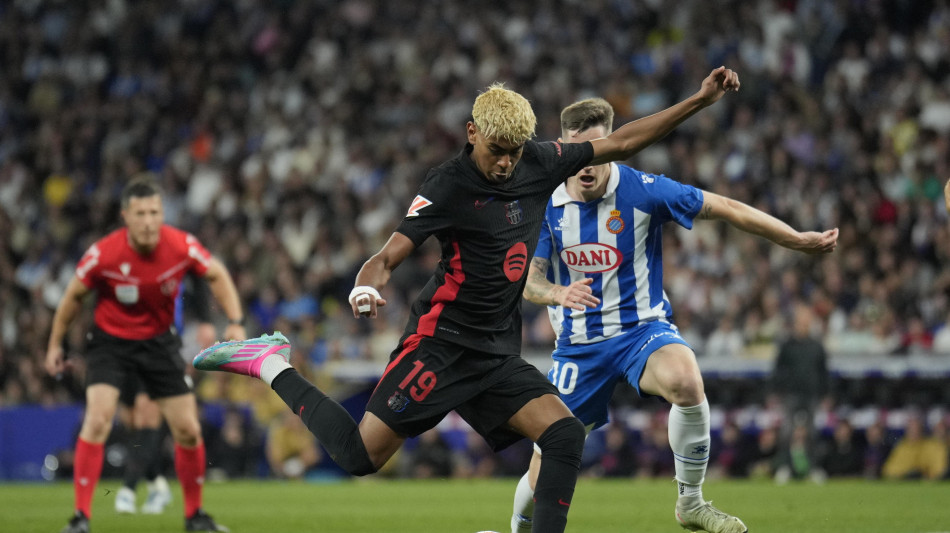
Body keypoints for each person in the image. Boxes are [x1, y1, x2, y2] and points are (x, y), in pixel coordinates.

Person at [194, 66, 740, 533]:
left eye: (515, 153)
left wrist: (699, 100)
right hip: (440, 344)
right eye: (498, 152)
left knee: (564, 434)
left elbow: (623, 142)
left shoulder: (538, 161)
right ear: (473, 132)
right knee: (361, 457)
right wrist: (366, 285)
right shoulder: (448, 184)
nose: (507, 164)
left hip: (496, 352)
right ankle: (270, 365)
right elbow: (387, 255)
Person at [507, 97, 838, 533]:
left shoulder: (643, 190)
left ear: (612, 145)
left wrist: (795, 239)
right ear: (563, 147)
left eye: (596, 151)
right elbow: (528, 280)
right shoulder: (545, 204)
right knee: (548, 455)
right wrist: (556, 292)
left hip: (641, 331)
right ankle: (517, 524)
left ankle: (692, 503)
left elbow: (726, 207)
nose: (586, 164)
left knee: (685, 379)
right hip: (578, 346)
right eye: (577, 152)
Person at [45, 175, 246, 533]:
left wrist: (234, 321)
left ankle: (195, 517)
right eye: (140, 213)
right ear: (125, 216)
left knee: (187, 429)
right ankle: (80, 519)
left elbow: (216, 274)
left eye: (155, 212)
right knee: (98, 420)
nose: (149, 220)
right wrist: (55, 344)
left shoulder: (181, 245)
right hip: (111, 345)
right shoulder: (103, 254)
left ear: (163, 212)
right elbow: (72, 298)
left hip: (159, 344)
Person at [115, 274, 216, 515]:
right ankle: (158, 484)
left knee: (147, 416)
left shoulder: (174, 264)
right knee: (130, 421)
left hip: (160, 348)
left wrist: (205, 320)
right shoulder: (126, 266)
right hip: (126, 349)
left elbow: (202, 278)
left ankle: (128, 490)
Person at [771, 302, 830, 484]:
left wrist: (826, 394)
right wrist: (774, 392)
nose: (804, 324)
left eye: (807, 320)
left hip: (811, 394)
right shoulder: (787, 345)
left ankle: (813, 468)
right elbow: (778, 370)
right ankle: (785, 467)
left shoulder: (816, 346)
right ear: (795, 322)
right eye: (801, 320)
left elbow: (824, 372)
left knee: (812, 433)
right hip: (791, 394)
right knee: (787, 432)